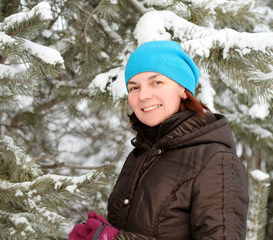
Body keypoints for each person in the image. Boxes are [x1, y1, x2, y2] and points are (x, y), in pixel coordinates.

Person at [69, 40, 249, 240]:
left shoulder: (216, 161)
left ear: (183, 90)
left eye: (157, 82)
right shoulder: (141, 154)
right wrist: (101, 233)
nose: (143, 95)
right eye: (134, 87)